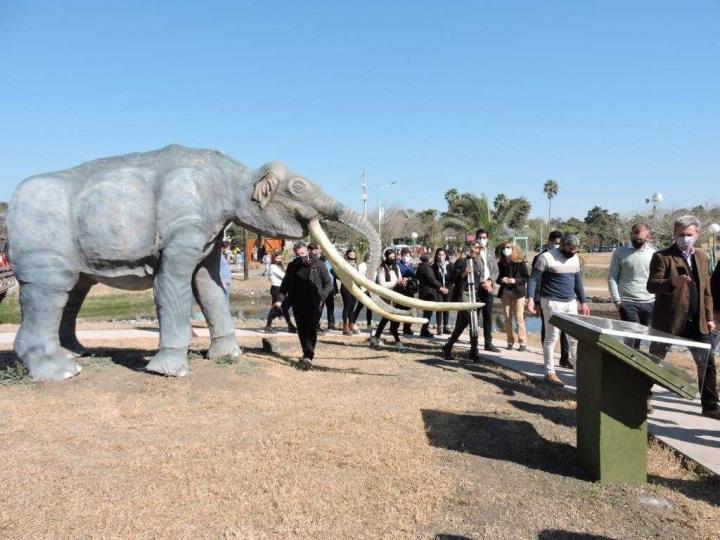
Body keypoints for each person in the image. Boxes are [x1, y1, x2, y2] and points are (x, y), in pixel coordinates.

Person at [647, 215, 719, 420]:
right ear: (674, 234)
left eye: (689, 234)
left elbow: (706, 291)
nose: (685, 238)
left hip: (698, 321)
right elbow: (652, 285)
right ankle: (643, 395)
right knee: (654, 360)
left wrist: (709, 317)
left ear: (697, 234)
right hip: (669, 322)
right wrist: (671, 283)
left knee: (707, 364)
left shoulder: (702, 257)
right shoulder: (662, 256)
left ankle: (710, 405)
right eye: (681, 234)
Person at [527, 233, 590, 387]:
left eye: (575, 249)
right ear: (562, 245)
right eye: (570, 248)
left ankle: (579, 373)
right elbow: (534, 278)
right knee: (552, 337)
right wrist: (530, 299)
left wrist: (583, 301)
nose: (573, 251)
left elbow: (577, 281)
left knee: (574, 338)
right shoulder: (546, 257)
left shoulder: (575, 258)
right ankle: (550, 372)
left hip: (570, 302)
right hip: (551, 301)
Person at [442, 232, 500, 362]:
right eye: (473, 247)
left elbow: (482, 276)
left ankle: (448, 347)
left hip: (476, 293)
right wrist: (464, 273)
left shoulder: (477, 261)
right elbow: (454, 278)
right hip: (465, 294)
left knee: (462, 324)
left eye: (477, 248)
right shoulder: (462, 261)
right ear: (468, 248)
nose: (475, 250)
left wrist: (488, 285)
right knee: (473, 321)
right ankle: (474, 352)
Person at [275, 242, 333, 370]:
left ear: (307, 251)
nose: (301, 256)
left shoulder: (318, 264)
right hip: (297, 303)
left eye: (302, 253)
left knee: (311, 329)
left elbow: (328, 284)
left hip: (314, 303)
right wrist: (279, 300)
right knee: (301, 329)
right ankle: (306, 353)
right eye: (298, 254)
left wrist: (321, 297)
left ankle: (308, 356)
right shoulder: (293, 266)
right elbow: (284, 285)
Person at [607, 223, 656, 348]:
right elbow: (612, 277)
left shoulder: (654, 254)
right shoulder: (619, 252)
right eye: (634, 238)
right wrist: (617, 300)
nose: (637, 241)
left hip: (648, 301)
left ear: (648, 237)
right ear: (631, 235)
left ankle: (633, 357)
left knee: (640, 337)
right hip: (627, 301)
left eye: (640, 239)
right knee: (631, 336)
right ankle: (625, 357)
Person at [533, 231, 571, 368]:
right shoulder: (541, 257)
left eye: (559, 243)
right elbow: (535, 279)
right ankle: (547, 359)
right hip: (547, 298)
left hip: (565, 299)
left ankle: (565, 358)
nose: (557, 245)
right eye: (555, 243)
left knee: (566, 330)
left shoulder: (566, 256)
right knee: (548, 329)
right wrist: (536, 299)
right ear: (549, 242)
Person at [370, 249, 407, 350]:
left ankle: (375, 338)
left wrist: (402, 281)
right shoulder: (381, 269)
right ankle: (398, 342)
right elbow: (382, 284)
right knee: (389, 319)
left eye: (393, 257)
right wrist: (395, 282)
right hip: (385, 298)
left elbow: (399, 279)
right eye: (390, 257)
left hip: (396, 297)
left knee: (387, 319)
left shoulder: (396, 267)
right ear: (386, 258)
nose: (392, 259)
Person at [497, 241, 529, 351]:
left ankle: (522, 342)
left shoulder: (520, 262)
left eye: (508, 247)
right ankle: (510, 342)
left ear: (513, 248)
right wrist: (502, 279)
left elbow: (526, 277)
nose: (506, 249)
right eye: (504, 248)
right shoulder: (500, 263)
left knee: (519, 318)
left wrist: (515, 280)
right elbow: (497, 278)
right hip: (505, 293)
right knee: (507, 318)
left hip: (518, 293)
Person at [417, 253, 449, 337]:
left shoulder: (421, 266)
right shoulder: (427, 267)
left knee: (427, 312)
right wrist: (441, 287)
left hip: (424, 292)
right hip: (428, 293)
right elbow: (432, 280)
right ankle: (424, 330)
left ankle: (424, 329)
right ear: (429, 259)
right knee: (428, 312)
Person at [264, 251, 297, 333]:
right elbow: (284, 276)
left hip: (281, 288)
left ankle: (290, 325)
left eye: (280, 258)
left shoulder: (280, 266)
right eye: (277, 258)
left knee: (283, 308)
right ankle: (268, 326)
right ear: (274, 258)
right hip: (276, 288)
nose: (279, 260)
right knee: (276, 307)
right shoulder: (273, 267)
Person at [310, 243, 337, 331]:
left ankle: (331, 324)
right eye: (317, 248)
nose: (318, 250)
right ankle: (316, 325)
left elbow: (333, 274)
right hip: (320, 288)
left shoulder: (329, 260)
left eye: (320, 248)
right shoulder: (314, 260)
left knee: (331, 307)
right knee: (319, 307)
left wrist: (334, 287)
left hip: (330, 287)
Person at [338, 247, 360, 335]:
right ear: (347, 255)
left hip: (355, 287)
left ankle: (351, 324)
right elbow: (334, 271)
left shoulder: (356, 264)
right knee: (347, 306)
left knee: (352, 307)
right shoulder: (344, 263)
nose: (352, 255)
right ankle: (345, 326)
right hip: (346, 287)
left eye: (353, 254)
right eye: (350, 254)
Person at [432, 248, 453, 335]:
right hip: (438, 289)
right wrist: (440, 288)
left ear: (445, 255)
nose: (441, 257)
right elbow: (433, 279)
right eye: (439, 255)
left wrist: (447, 288)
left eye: (442, 255)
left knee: (447, 307)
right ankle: (439, 327)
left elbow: (453, 278)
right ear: (437, 256)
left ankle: (445, 327)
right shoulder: (434, 267)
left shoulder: (450, 265)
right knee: (439, 307)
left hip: (448, 289)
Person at [397, 247, 417, 336]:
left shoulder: (411, 266)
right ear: (401, 256)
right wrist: (401, 279)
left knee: (410, 309)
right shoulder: (398, 265)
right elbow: (395, 275)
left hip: (410, 291)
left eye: (408, 255)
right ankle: (395, 327)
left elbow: (414, 277)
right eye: (404, 255)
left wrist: (408, 278)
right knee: (399, 309)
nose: (406, 257)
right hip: (400, 290)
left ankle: (407, 328)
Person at [352, 253, 374, 329]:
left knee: (370, 307)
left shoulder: (372, 266)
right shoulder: (362, 266)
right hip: (363, 289)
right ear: (367, 258)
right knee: (359, 306)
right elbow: (358, 277)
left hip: (371, 289)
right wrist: (360, 288)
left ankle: (369, 324)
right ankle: (352, 322)